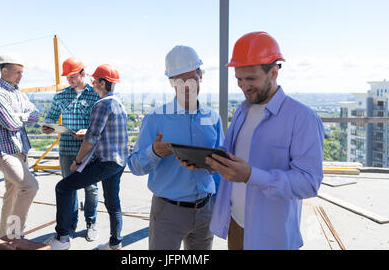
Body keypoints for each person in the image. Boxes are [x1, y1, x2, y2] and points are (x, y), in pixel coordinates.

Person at [207, 31, 325, 250]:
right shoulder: (242, 110)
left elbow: (309, 182)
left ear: (273, 72)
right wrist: (208, 162)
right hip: (236, 225)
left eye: (251, 78)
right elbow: (231, 153)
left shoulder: (302, 118)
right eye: (239, 79)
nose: (243, 86)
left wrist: (252, 176)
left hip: (272, 237)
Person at [127, 45, 224, 250]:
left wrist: (214, 172)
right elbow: (135, 166)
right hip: (168, 213)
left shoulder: (213, 118)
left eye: (191, 79)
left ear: (200, 76)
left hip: (206, 210)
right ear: (171, 82)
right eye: (179, 81)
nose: (186, 86)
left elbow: (221, 165)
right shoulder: (156, 119)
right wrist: (153, 152)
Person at [45, 64, 128, 250]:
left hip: (105, 162)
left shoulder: (101, 104)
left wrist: (77, 162)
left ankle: (62, 238)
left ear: (102, 82)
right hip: (118, 161)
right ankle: (115, 244)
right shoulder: (118, 103)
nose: (92, 82)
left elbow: (90, 140)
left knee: (63, 187)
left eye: (95, 79)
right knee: (113, 202)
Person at [0, 53, 40, 239]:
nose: (20, 76)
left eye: (22, 72)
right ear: (4, 71)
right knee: (29, 186)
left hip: (20, 151)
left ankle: (4, 238)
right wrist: (22, 116)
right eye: (17, 72)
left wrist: (19, 115)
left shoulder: (18, 93)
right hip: (4, 151)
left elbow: (35, 115)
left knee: (13, 192)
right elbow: (11, 123)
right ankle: (15, 234)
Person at [42, 57, 100, 241]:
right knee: (69, 187)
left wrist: (88, 131)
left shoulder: (95, 94)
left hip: (89, 149)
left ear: (83, 74)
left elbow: (101, 121)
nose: (70, 80)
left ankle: (91, 222)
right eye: (67, 77)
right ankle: (71, 224)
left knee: (90, 188)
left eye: (73, 76)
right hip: (67, 149)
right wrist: (47, 127)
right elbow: (50, 117)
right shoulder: (60, 96)